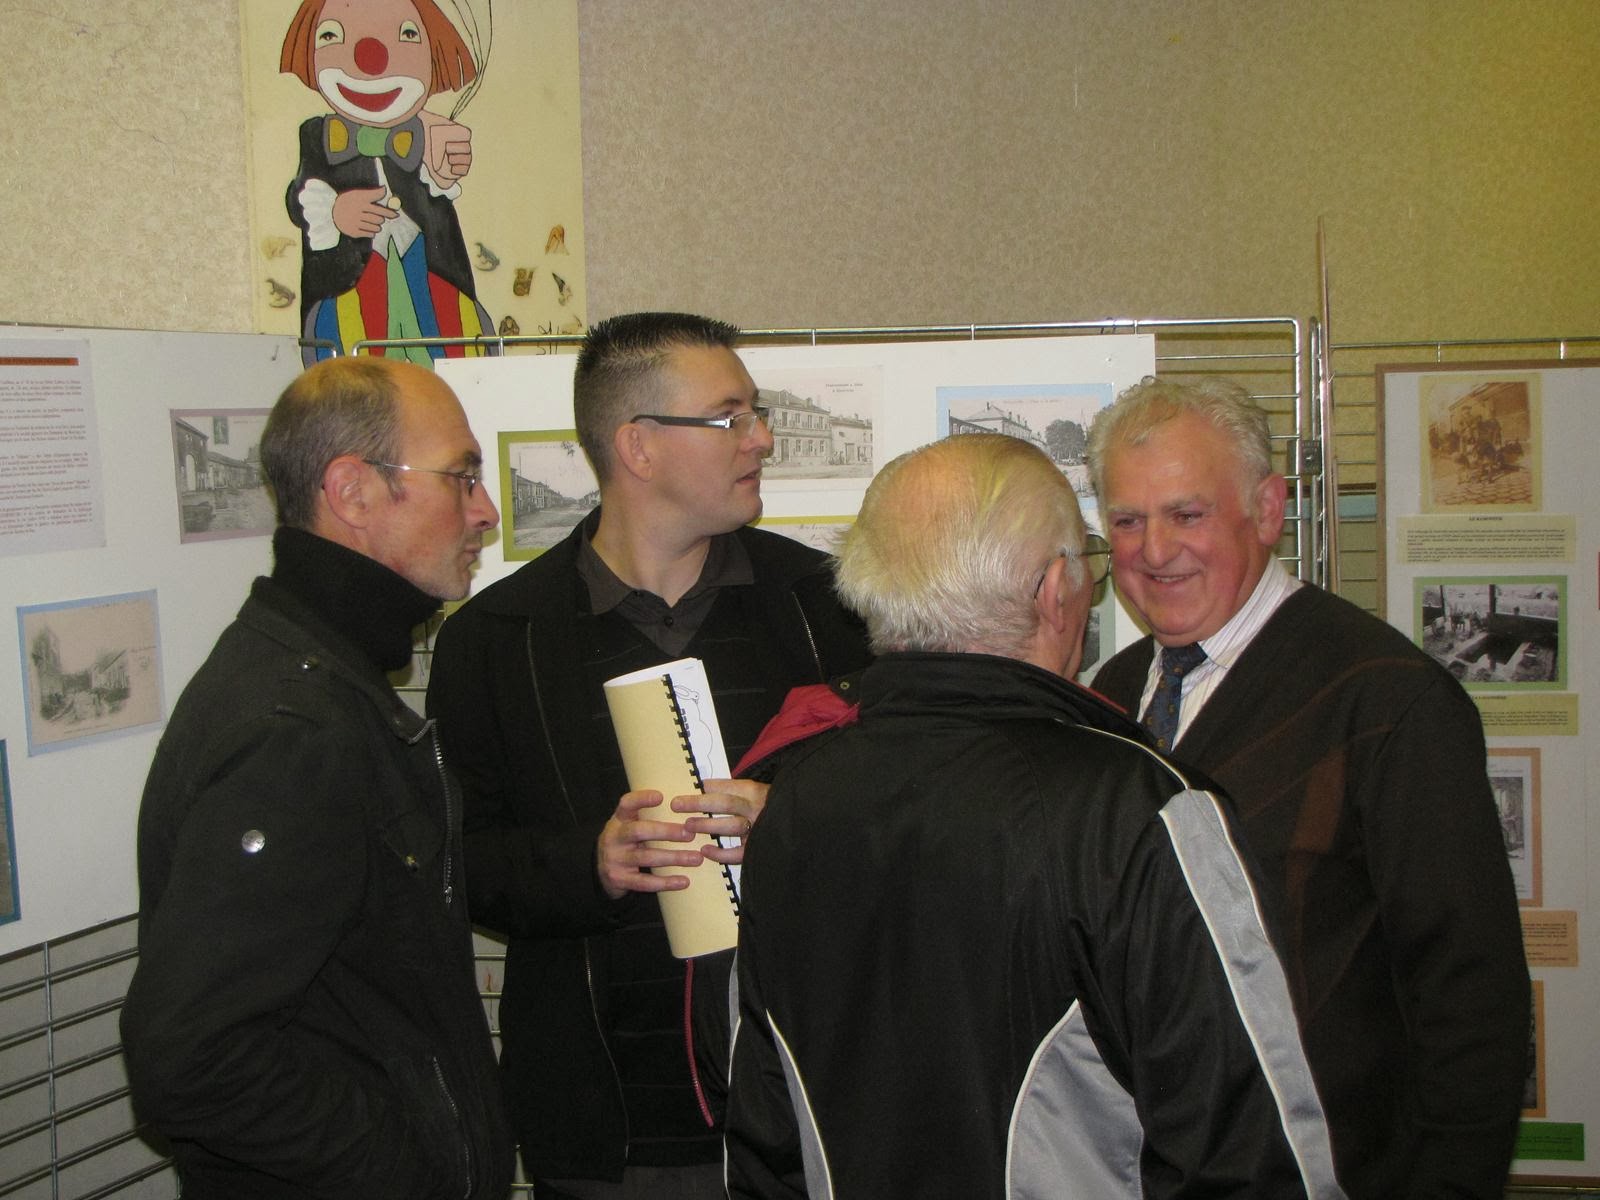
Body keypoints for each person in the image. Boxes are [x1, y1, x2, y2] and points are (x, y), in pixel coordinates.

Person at [723, 433, 1342, 1199]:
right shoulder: (1142, 808)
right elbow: (1250, 1147)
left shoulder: (791, 805)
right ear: (1054, 590)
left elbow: (763, 1141)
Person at [426, 311, 871, 1198]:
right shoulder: (496, 639)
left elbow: (903, 817)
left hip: (810, 1114)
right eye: (732, 417)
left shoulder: (826, 608)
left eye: (756, 414)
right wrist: (590, 863)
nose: (762, 438)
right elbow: (458, 863)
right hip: (606, 1134)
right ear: (638, 446)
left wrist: (793, 821)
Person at [1086, 377, 1529, 1200]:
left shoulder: (1390, 703)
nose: (1154, 550)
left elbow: (1472, 1002)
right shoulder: (1109, 698)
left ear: (1267, 510)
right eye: (1127, 521)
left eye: (1187, 514)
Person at [120, 357, 513, 1197]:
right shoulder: (297, 728)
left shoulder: (328, 679)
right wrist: (411, 1169)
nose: (484, 509)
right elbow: (191, 1059)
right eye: (461, 477)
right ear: (352, 491)